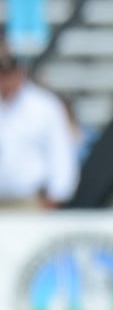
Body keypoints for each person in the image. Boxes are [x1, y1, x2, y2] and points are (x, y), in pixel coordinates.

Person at [0, 41, 80, 208]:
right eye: (2, 74)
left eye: (9, 74)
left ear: (20, 73)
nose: (6, 80)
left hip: (29, 200)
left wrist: (57, 193)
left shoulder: (44, 106)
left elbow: (60, 150)